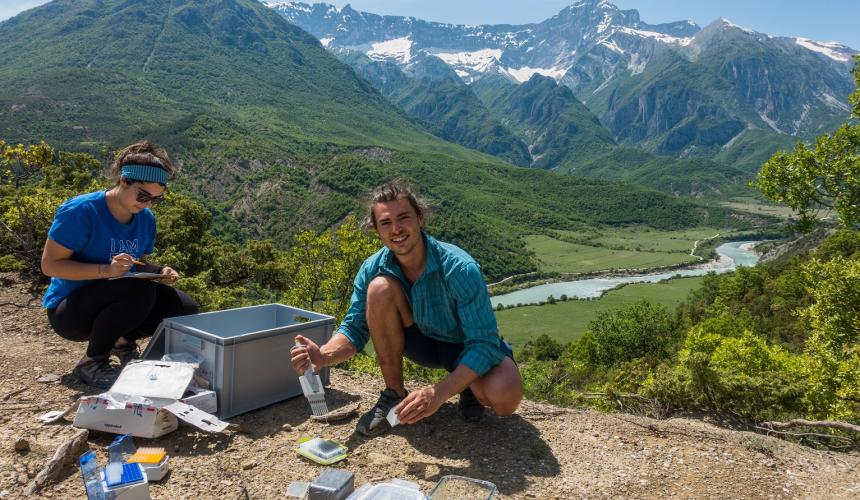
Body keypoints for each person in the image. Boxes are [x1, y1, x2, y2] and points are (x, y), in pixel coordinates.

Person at [291, 180, 522, 435]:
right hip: (420, 343)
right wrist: (324, 356)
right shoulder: (372, 268)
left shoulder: (459, 268)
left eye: (403, 218)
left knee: (504, 396)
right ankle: (394, 394)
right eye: (386, 223)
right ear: (377, 230)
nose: (396, 229)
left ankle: (467, 388)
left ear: (420, 218)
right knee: (379, 288)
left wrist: (439, 393)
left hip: (462, 345)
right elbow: (355, 328)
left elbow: (483, 341)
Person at [40, 141, 198, 389]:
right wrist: (105, 270)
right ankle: (91, 362)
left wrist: (158, 271)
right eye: (143, 195)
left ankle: (122, 341)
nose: (146, 204)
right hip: (70, 311)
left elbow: (136, 262)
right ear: (124, 181)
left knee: (185, 308)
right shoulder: (82, 210)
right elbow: (50, 265)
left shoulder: (145, 219)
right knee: (137, 291)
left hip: (117, 298)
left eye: (155, 199)